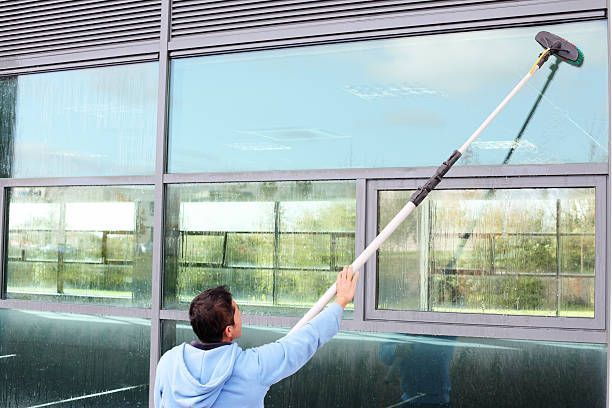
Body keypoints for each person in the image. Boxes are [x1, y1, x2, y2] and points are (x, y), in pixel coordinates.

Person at [154, 266, 358, 408]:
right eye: (237, 310)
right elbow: (303, 342)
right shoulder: (253, 367)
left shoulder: (168, 364)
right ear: (228, 331)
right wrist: (341, 301)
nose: (240, 314)